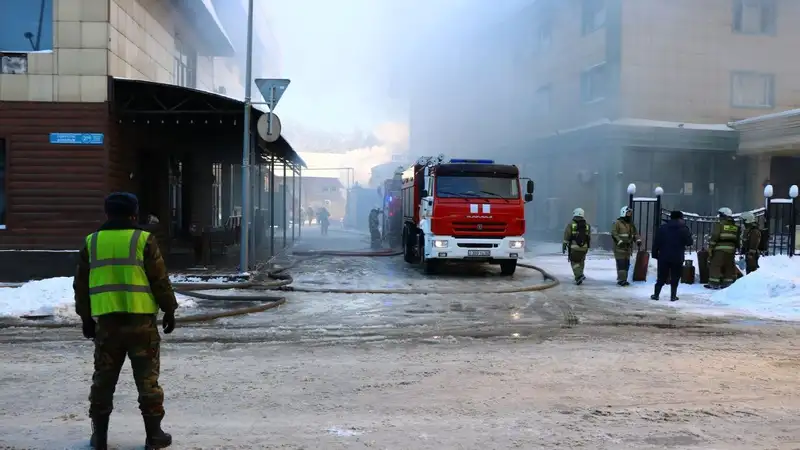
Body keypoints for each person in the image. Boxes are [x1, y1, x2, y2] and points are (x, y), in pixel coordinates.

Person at [73, 192, 178, 449]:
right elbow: (159, 280)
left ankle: (100, 437)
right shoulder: (143, 239)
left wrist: (86, 318)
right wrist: (170, 309)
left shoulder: (92, 242)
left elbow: (81, 285)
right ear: (134, 214)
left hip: (107, 324)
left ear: (107, 213)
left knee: (103, 380)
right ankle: (154, 436)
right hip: (141, 323)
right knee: (147, 381)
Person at [651, 210, 693, 301]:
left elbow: (656, 242)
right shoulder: (684, 229)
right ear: (680, 218)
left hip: (663, 256)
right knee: (675, 277)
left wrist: (654, 254)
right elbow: (689, 242)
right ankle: (673, 296)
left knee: (661, 276)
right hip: (678, 257)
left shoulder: (662, 228)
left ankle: (656, 295)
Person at [705, 207, 739, 289]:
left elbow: (715, 236)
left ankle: (714, 283)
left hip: (720, 249)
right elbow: (737, 239)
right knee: (729, 266)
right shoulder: (735, 226)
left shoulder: (719, 225)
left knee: (715, 265)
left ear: (724, 215)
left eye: (720, 215)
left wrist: (711, 247)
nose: (719, 216)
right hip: (731, 250)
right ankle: (727, 283)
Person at [611, 206, 641, 286]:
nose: (629, 214)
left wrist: (637, 240)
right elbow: (614, 233)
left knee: (626, 264)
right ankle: (621, 280)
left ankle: (623, 279)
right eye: (628, 212)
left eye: (630, 213)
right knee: (621, 263)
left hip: (627, 247)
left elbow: (635, 233)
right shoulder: (617, 223)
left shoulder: (631, 224)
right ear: (623, 212)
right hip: (619, 248)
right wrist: (619, 241)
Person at [562, 207, 591, 285]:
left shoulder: (571, 224)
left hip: (574, 247)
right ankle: (581, 274)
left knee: (574, 262)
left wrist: (564, 246)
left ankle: (578, 276)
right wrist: (587, 246)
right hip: (584, 247)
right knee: (581, 261)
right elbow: (589, 236)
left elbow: (566, 235)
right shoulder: (587, 225)